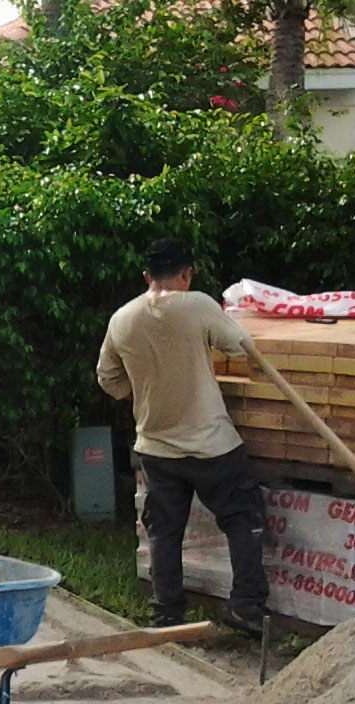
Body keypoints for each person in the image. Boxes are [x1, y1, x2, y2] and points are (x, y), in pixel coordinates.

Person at [96, 238, 268, 636]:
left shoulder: (122, 318)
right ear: (187, 274)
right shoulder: (199, 306)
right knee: (243, 518)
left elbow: (107, 378)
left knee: (163, 531)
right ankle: (246, 606)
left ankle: (166, 617)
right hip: (212, 445)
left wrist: (142, 394)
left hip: (156, 447)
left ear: (146, 276)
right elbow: (241, 347)